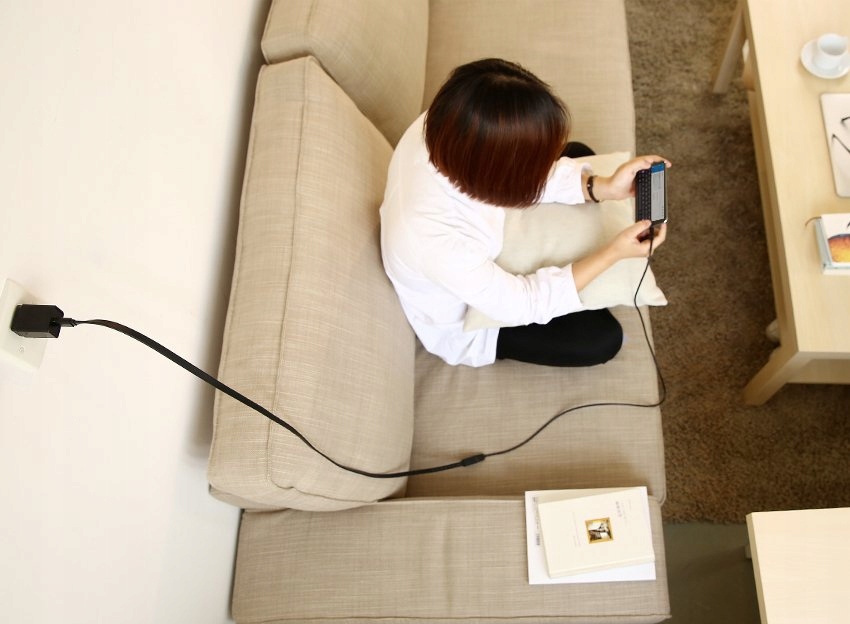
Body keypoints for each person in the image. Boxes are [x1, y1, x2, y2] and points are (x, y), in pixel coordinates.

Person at [379, 58, 669, 367]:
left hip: (486, 233)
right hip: (471, 317)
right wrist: (613, 253)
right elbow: (524, 304)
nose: (542, 168)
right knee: (601, 340)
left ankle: (581, 283)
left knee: (579, 153)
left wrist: (603, 187)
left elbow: (522, 176)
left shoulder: (445, 122)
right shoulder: (437, 243)